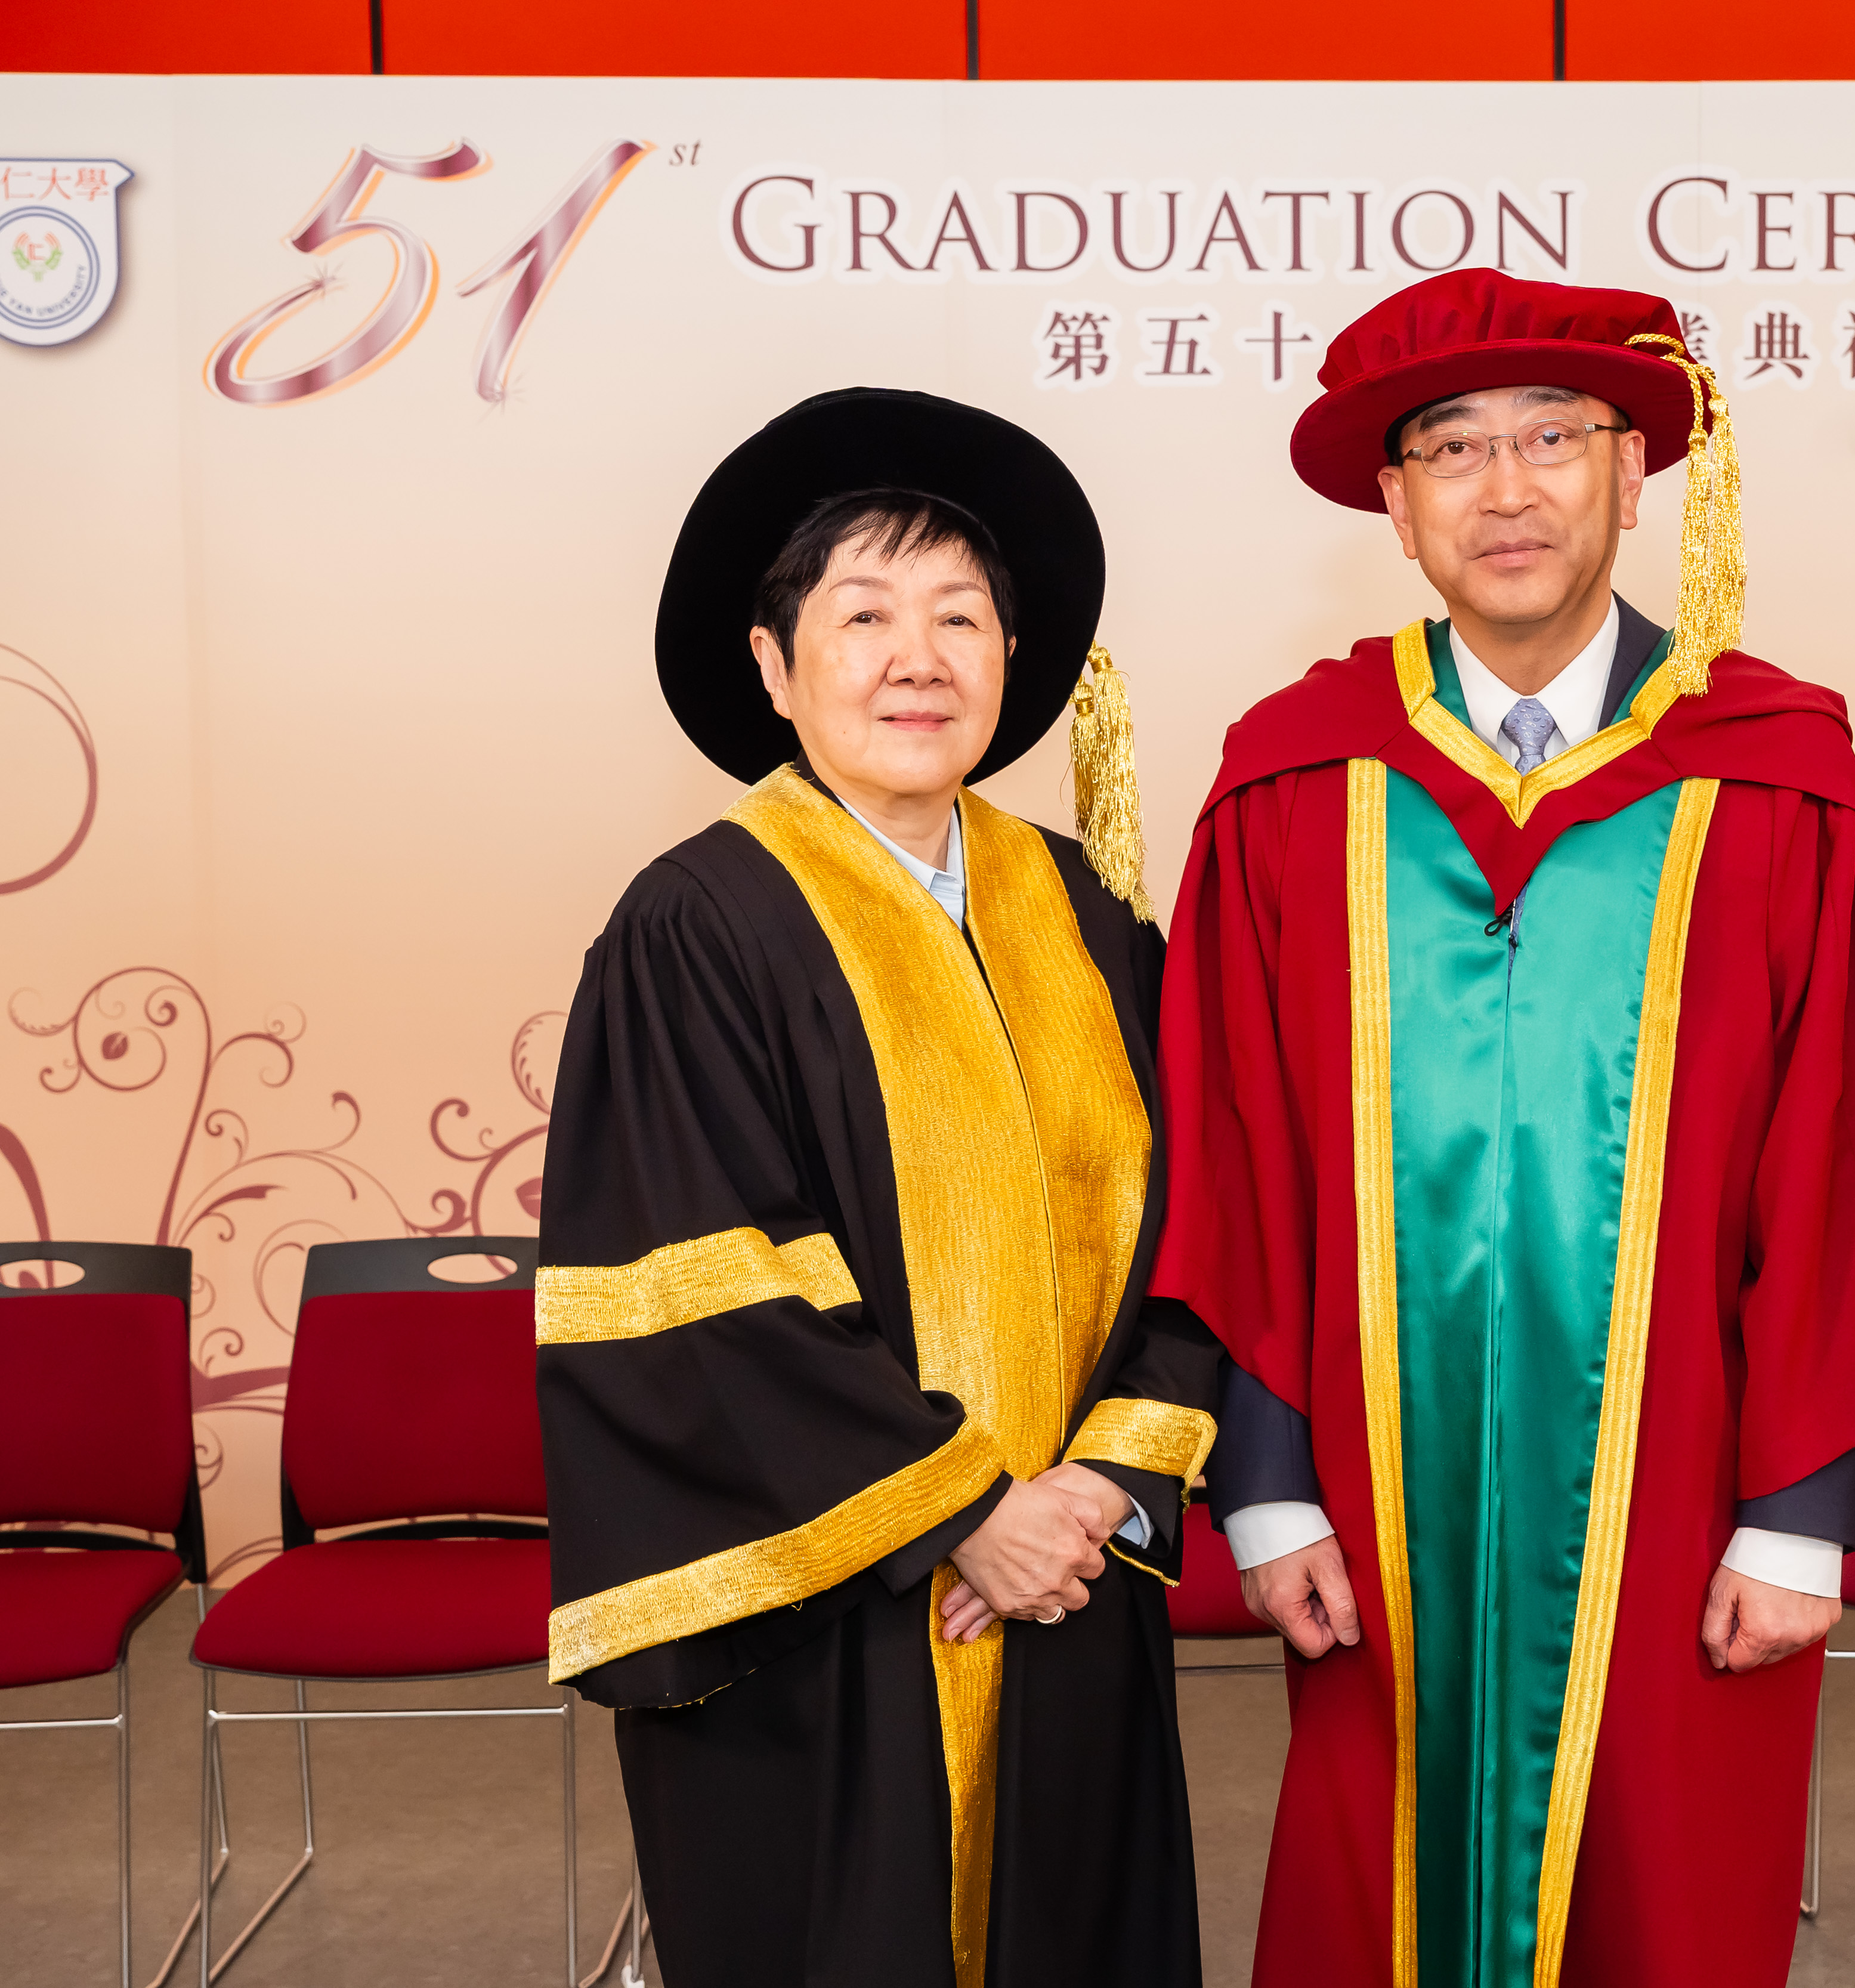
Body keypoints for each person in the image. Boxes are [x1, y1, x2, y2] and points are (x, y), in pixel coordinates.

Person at [1153, 268, 1855, 1988]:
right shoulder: (1294, 781)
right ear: (1396, 508)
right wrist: (1270, 1491)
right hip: (1372, 1499)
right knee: (1376, 1881)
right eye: (1452, 450)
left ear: (1634, 469)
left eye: (1553, 437)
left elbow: (1843, 1159)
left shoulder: (1776, 777)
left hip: (1690, 1497)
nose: (1506, 488)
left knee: (1667, 1900)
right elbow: (1236, 1161)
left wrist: (1799, 1515)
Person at [536, 388, 1220, 1988]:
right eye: (864, 615)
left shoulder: (1087, 914)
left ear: (1011, 662)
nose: (920, 657)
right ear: (774, 667)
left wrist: (1101, 1488)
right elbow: (704, 1294)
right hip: (833, 1625)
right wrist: (967, 1517)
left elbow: (1199, 1224)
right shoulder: (701, 924)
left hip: (1070, 1586)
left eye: (960, 617)